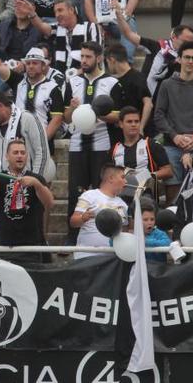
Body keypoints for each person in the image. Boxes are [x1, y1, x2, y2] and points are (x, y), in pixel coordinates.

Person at [62, 42, 124, 241]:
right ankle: (73, 236)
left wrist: (97, 114)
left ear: (99, 58)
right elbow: (66, 117)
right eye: (82, 56)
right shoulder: (73, 82)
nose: (84, 61)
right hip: (77, 143)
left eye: (88, 57)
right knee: (75, 191)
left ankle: (103, 233)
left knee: (101, 189)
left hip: (101, 142)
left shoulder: (112, 83)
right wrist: (73, 109)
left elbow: (118, 116)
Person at [154, 40, 193, 203]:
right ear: (179, 59)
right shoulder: (166, 85)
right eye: (187, 57)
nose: (190, 61)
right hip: (171, 145)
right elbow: (159, 115)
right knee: (173, 193)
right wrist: (175, 136)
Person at [114, 4, 193, 100]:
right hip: (145, 99)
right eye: (185, 42)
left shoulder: (189, 59)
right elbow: (129, 34)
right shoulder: (156, 46)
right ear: (174, 37)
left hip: (166, 103)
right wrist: (119, 15)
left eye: (191, 43)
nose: (188, 46)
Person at [0, 138, 54, 246]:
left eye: (23, 153)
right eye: (15, 153)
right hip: (4, 242)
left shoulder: (36, 178)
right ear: (7, 156)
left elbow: (49, 203)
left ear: (27, 156)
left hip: (31, 242)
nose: (20, 155)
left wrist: (37, 184)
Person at [0, 47, 64, 143]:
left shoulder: (53, 88)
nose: (31, 66)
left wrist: (42, 142)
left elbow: (57, 119)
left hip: (42, 142)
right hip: (18, 142)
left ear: (43, 65)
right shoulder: (18, 81)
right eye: (28, 63)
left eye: (35, 63)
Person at [0, 90, 53, 182]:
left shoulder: (27, 118)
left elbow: (42, 151)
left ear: (0, 106)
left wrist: (35, 180)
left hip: (24, 184)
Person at [0, 0, 43, 92]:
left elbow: (43, 50)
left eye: (23, 5)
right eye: (17, 4)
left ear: (32, 8)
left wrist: (24, 63)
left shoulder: (39, 27)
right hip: (6, 68)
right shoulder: (4, 25)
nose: (19, 8)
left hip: (28, 68)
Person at [70, 164, 128, 259]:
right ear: (111, 178)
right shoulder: (89, 195)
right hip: (86, 255)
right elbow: (73, 222)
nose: (126, 181)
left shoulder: (123, 205)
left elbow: (125, 231)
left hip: (112, 258)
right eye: (123, 177)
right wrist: (82, 218)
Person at [33, 0, 98, 73]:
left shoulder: (90, 27)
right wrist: (32, 14)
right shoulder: (58, 28)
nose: (57, 15)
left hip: (85, 76)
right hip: (61, 78)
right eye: (55, 12)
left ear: (71, 10)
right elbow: (42, 27)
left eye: (60, 10)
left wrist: (78, 72)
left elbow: (97, 55)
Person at [111, 106, 173, 184]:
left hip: (145, 192)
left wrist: (143, 177)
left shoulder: (151, 144)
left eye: (136, 121)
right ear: (121, 124)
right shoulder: (115, 149)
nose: (133, 124)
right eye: (129, 122)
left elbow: (168, 171)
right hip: (120, 192)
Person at [105, 44, 152, 138]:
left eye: (107, 62)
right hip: (116, 135)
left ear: (112, 59)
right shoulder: (112, 80)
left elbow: (148, 104)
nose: (108, 66)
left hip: (134, 134)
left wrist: (141, 127)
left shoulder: (137, 78)